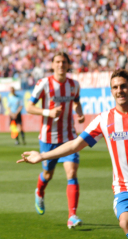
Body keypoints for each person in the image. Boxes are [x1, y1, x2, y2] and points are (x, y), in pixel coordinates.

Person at [18, 69, 128, 239]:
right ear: (111, 91)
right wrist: (42, 155)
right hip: (126, 188)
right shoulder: (104, 120)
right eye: (115, 87)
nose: (119, 90)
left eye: (123, 86)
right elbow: (75, 145)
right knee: (127, 222)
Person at [26, 52, 85, 229]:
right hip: (48, 138)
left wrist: (80, 113)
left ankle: (72, 215)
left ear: (68, 65)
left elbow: (77, 102)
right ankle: (40, 190)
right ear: (52, 65)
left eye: (64, 62)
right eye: (57, 62)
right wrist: (48, 113)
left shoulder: (74, 85)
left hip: (69, 137)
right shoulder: (44, 83)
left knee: (72, 173)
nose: (61, 65)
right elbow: (29, 106)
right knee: (48, 175)